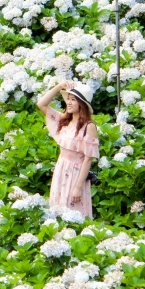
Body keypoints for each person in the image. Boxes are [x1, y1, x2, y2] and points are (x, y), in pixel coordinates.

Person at [36, 79, 99, 218]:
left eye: (73, 100)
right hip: (61, 169)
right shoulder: (64, 121)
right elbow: (41, 104)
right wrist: (59, 86)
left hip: (76, 174)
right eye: (68, 99)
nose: (69, 103)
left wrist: (78, 187)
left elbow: (88, 159)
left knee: (73, 213)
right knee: (56, 209)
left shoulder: (89, 127)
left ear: (81, 104)